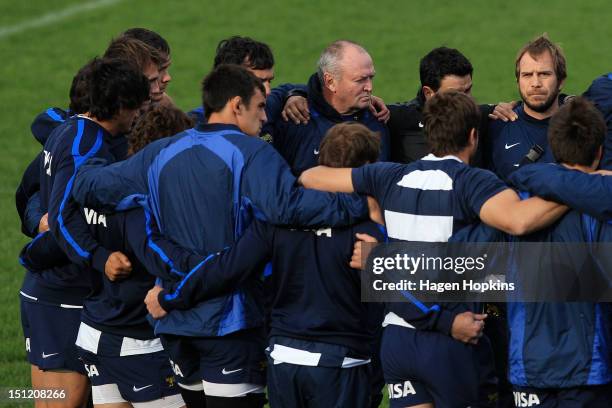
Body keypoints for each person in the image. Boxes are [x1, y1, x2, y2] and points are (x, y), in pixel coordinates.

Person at [70, 64, 370, 408]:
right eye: (259, 107)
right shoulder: (251, 152)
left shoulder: (159, 153)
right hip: (229, 323)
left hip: (175, 325)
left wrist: (84, 156)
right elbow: (289, 207)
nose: (264, 118)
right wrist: (361, 204)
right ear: (236, 105)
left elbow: (89, 187)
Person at [299, 91, 567, 408]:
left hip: (397, 340)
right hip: (450, 339)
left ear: (429, 133)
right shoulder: (473, 182)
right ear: (473, 136)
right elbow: (520, 222)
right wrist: (578, 185)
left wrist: (370, 208)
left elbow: (310, 176)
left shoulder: (390, 176)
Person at [141, 122, 385, 408]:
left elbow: (226, 268)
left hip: (283, 360)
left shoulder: (277, 219)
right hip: (342, 363)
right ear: (368, 167)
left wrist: (171, 298)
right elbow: (401, 298)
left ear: (322, 161)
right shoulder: (372, 227)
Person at [453, 97, 612, 408]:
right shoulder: (601, 212)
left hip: (528, 369)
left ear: (553, 145)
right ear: (599, 152)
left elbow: (462, 266)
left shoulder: (511, 206)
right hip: (589, 373)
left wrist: (381, 261)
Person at [19, 58, 150, 408]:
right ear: (120, 106)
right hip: (63, 293)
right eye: (137, 107)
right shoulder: (85, 146)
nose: (139, 116)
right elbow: (62, 215)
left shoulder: (73, 129)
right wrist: (99, 256)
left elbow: (30, 192)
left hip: (55, 288)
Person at [265, 40, 390, 176]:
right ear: (330, 82)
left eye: (371, 77)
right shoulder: (296, 117)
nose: (369, 87)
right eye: (360, 80)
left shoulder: (379, 118)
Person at [488, 34, 567, 181]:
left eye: (544, 74)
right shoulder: (496, 127)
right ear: (518, 81)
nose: (535, 83)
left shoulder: (581, 128)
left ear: (561, 81)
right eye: (527, 75)